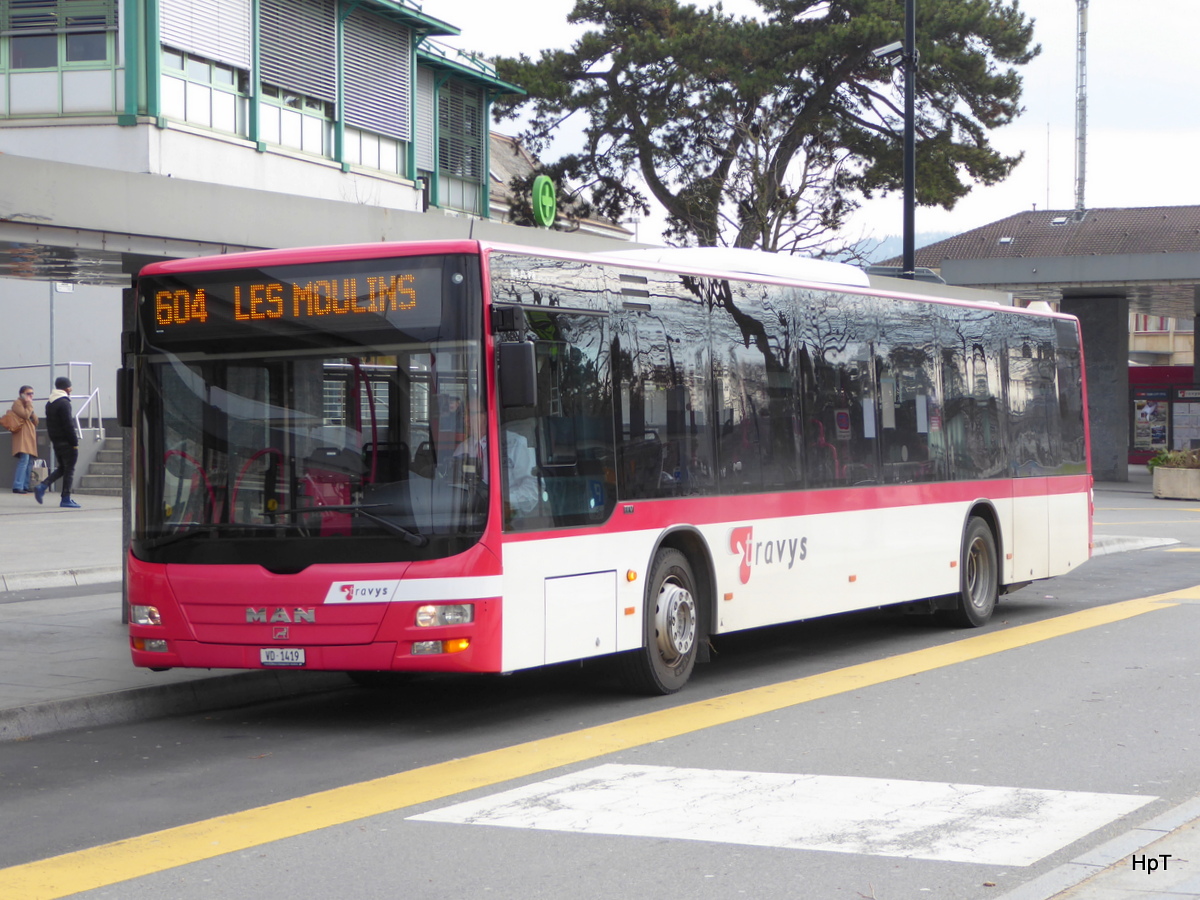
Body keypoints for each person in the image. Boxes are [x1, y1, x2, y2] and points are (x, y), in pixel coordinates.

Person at [35, 376, 82, 508]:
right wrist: (74, 442)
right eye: (70, 386)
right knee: (69, 470)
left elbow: (50, 424)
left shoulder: (50, 403)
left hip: (56, 441)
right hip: (67, 442)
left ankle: (42, 486)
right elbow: (68, 424)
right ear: (67, 388)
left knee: (62, 468)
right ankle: (65, 498)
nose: (71, 389)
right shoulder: (64, 403)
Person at [9, 385, 39, 494]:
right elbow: (25, 415)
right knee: (24, 460)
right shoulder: (17, 403)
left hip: (30, 436)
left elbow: (35, 421)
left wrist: (31, 410)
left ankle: (26, 485)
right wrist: (29, 405)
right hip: (22, 436)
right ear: (22, 394)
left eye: (32, 393)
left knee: (29, 461)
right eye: (28, 393)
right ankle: (18, 485)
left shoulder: (28, 405)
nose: (31, 396)